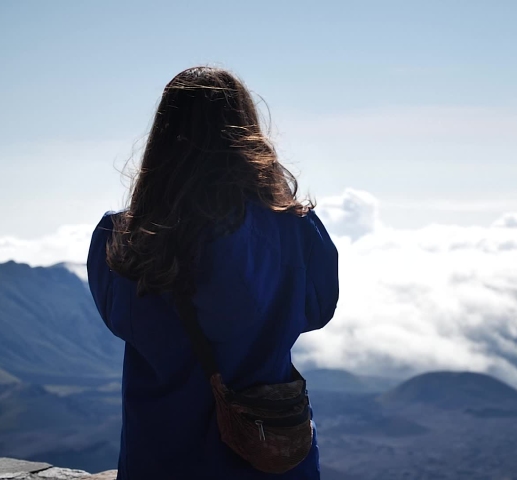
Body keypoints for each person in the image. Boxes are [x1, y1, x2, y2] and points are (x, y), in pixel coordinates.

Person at [86, 66, 338, 479]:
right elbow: (317, 310)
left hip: (161, 449)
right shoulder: (296, 228)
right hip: (264, 446)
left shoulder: (121, 234)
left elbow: (120, 321)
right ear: (246, 129)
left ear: (163, 134)